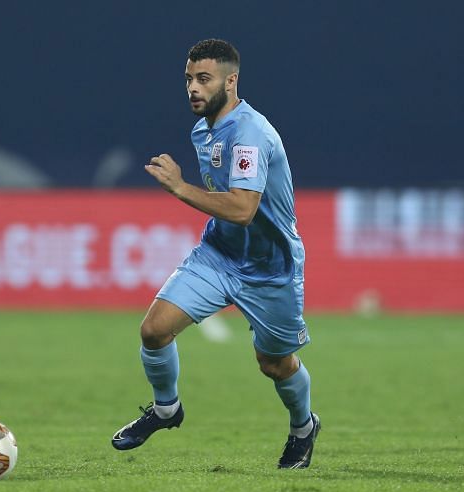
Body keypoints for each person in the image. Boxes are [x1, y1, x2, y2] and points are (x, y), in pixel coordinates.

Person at [110, 38, 320, 469]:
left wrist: (179, 187)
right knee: (154, 330)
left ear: (231, 80)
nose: (193, 88)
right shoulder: (203, 129)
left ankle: (303, 427)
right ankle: (166, 409)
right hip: (220, 255)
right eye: (188, 79)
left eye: (203, 79)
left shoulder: (250, 133)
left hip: (270, 268)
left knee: (275, 364)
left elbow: (243, 208)